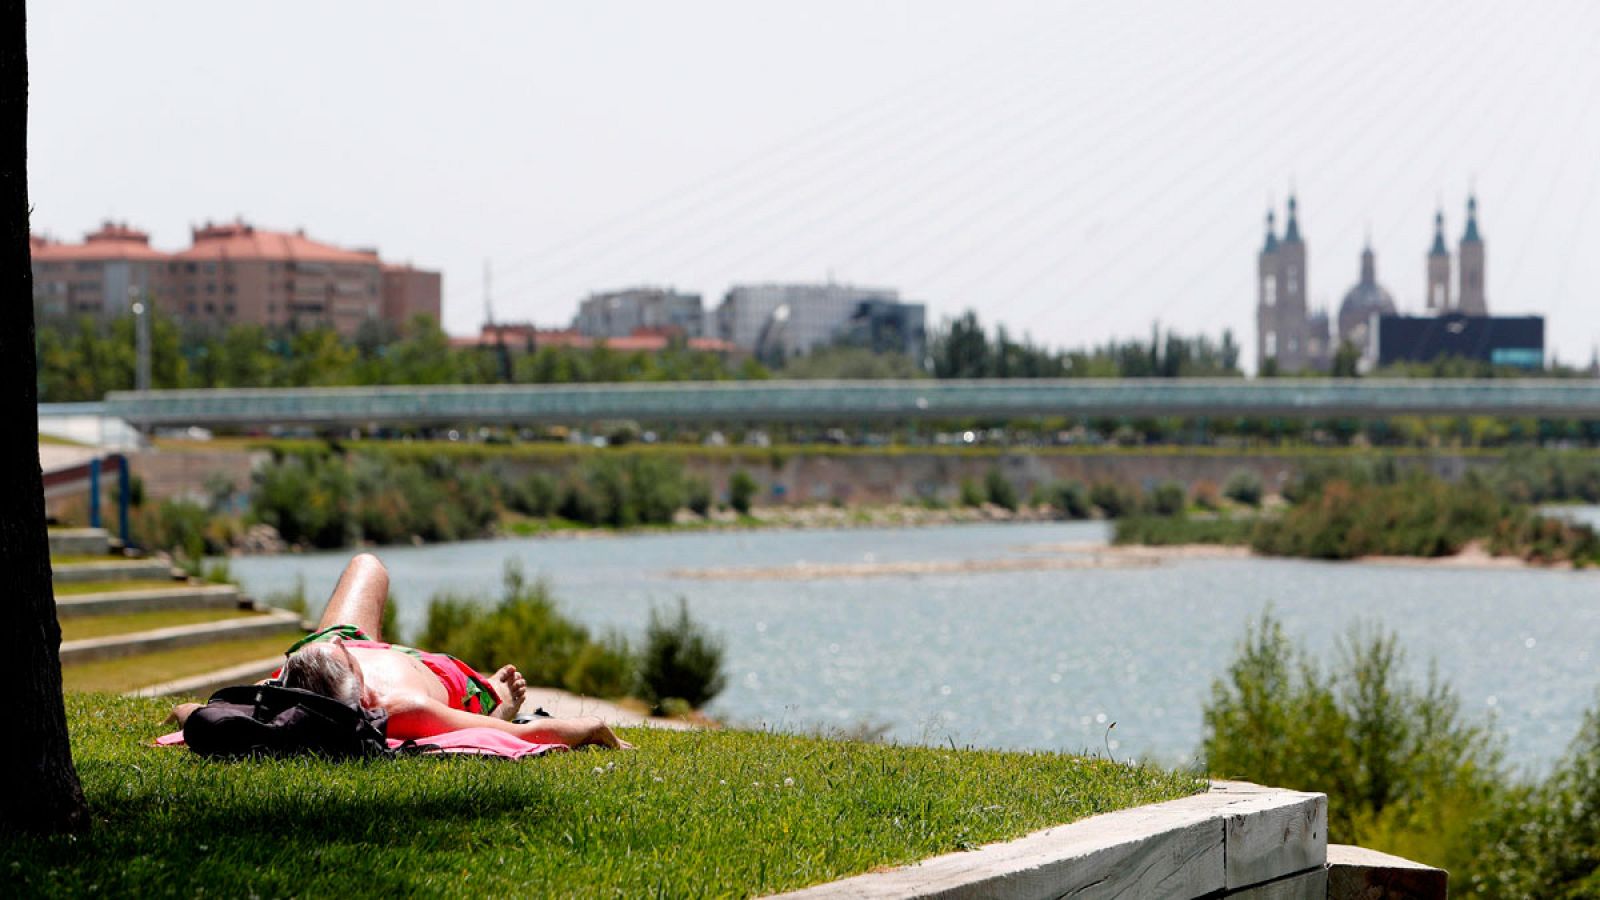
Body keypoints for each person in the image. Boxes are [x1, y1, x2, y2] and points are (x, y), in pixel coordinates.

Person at [172, 553, 632, 750]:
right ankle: (492, 695)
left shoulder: (272, 695)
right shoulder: (402, 709)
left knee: (366, 564)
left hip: (328, 653)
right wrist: (592, 727)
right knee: (484, 710)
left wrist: (336, 650)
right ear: (365, 699)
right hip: (435, 673)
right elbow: (519, 738)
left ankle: (332, 650)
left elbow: (189, 711)